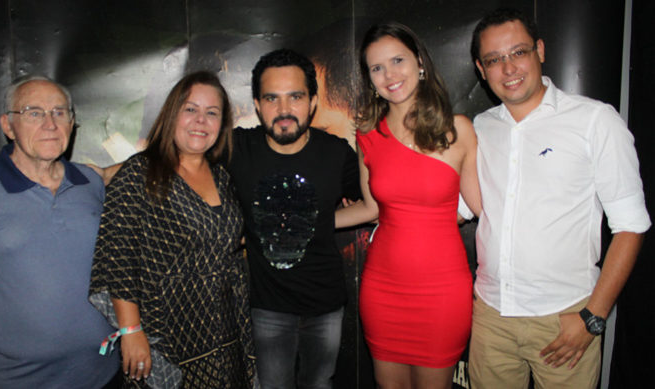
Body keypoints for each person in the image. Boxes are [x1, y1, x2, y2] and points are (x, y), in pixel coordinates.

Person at [468, 8, 651, 389]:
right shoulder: (481, 128)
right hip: (490, 317)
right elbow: (462, 205)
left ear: (540, 50)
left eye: (518, 52)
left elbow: (631, 226)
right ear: (481, 69)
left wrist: (593, 317)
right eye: (494, 60)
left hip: (566, 318)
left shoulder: (595, 121)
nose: (508, 68)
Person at [335, 22, 482, 389]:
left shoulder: (458, 129)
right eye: (377, 68)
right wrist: (312, 220)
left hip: (442, 294)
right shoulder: (368, 134)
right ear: (370, 79)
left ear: (419, 62)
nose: (390, 75)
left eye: (397, 60)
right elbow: (370, 209)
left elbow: (484, 208)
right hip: (383, 289)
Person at [88, 71, 256, 388]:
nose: (200, 121)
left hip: (226, 331)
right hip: (165, 336)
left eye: (212, 113)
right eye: (190, 109)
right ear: (172, 114)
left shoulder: (222, 176)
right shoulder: (141, 173)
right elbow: (117, 257)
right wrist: (130, 331)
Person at [0, 75, 120, 388]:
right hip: (18, 380)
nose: (50, 124)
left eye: (60, 113)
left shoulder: (90, 182)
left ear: (72, 124)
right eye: (34, 112)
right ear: (7, 126)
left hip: (104, 374)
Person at [227, 48, 360, 389]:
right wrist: (108, 172)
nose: (284, 110)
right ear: (256, 104)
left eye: (295, 97)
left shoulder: (336, 153)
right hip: (267, 308)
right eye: (272, 98)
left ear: (313, 101)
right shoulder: (237, 147)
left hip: (326, 305)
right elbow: (176, 156)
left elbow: (380, 197)